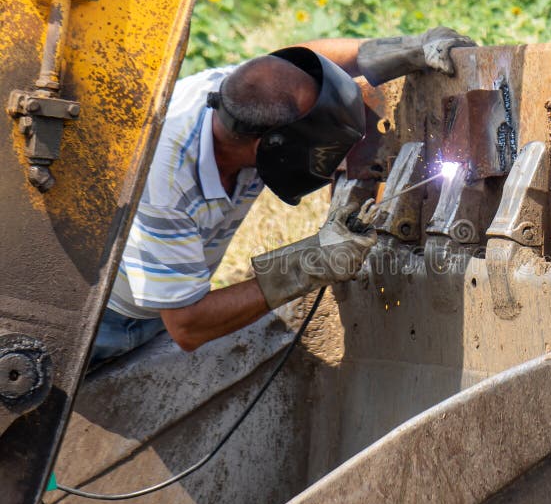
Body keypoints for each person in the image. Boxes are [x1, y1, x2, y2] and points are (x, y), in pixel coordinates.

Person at [90, 28, 475, 366]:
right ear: (272, 145)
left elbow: (290, 66)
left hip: (167, 296)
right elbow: (187, 325)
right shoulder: (164, 187)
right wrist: (312, 262)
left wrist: (403, 48)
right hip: (106, 323)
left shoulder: (240, 94)